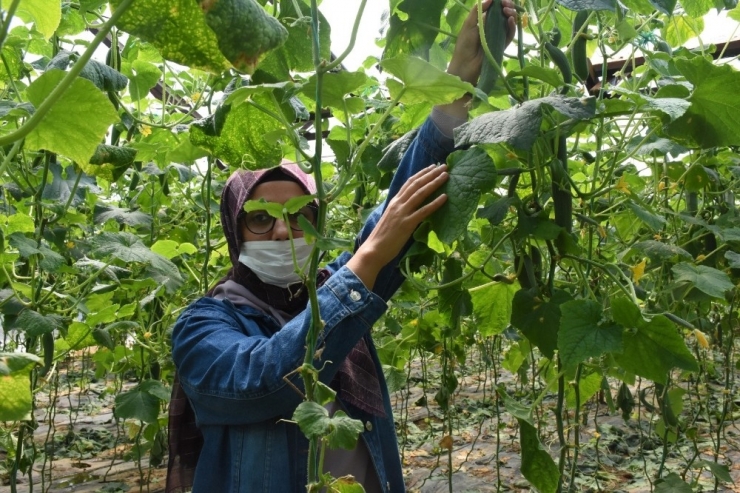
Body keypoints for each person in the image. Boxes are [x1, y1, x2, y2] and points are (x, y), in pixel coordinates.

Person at [166, 1, 516, 491]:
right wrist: (367, 261)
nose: (285, 233)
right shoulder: (201, 325)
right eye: (262, 220)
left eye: (301, 217)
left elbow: (396, 213)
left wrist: (454, 84)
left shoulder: (331, 285)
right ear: (234, 232)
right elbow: (261, 381)